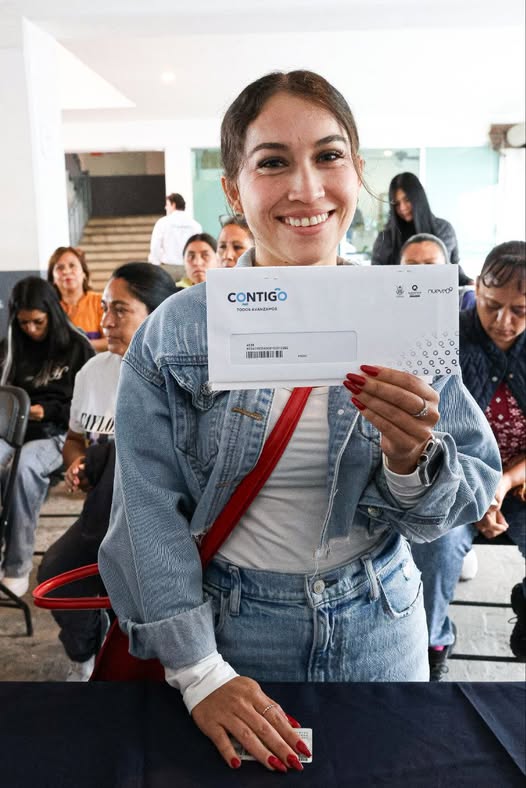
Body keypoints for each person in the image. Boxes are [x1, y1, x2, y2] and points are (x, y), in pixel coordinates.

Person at [99, 70, 500, 774]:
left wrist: (410, 461)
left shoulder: (403, 312)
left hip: (381, 617)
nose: (307, 189)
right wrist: (199, 671)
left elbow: (466, 489)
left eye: (329, 155)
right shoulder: (176, 333)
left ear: (357, 170)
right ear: (234, 188)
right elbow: (146, 513)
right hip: (232, 632)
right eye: (272, 162)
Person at [37, 262, 177, 681]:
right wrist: (77, 463)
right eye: (103, 308)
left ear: (156, 314)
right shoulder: (93, 373)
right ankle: (86, 655)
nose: (106, 322)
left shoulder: (178, 377)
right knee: (56, 576)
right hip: (100, 517)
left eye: (120, 310)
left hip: (158, 526)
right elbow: (75, 438)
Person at [412, 241, 526, 677]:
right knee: (435, 544)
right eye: (492, 305)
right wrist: (478, 494)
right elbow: (431, 429)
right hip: (453, 477)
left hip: (518, 480)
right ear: (475, 288)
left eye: (520, 311)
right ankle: (433, 639)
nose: (503, 321)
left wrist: (502, 484)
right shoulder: (445, 338)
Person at [0, 277, 93, 596]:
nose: (30, 329)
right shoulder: (10, 347)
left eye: (38, 322)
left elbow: (84, 407)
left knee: (23, 468)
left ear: (52, 314)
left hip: (58, 432)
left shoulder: (77, 346)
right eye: (23, 322)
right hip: (14, 430)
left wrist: (46, 411)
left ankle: (17, 565)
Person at [372, 172, 473, 286]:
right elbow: (375, 277)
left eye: (407, 200)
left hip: (438, 293)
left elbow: (454, 271)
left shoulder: (444, 229)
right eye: (397, 203)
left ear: (418, 198)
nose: (403, 207)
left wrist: (470, 283)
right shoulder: (386, 238)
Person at [47, 246, 107, 352]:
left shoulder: (100, 302)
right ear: (53, 279)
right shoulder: (49, 307)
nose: (66, 271)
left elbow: (110, 342)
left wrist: (79, 346)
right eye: (60, 268)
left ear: (84, 273)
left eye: (72, 265)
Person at [400, 233, 476, 310]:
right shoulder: (393, 300)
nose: (421, 272)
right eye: (412, 265)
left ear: (447, 268)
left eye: (430, 264)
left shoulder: (465, 300)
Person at [148, 192, 202, 281]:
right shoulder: (195, 225)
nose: (165, 207)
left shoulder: (162, 223)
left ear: (173, 204)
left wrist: (155, 264)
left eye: (167, 205)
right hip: (187, 267)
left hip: (168, 268)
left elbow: (155, 246)